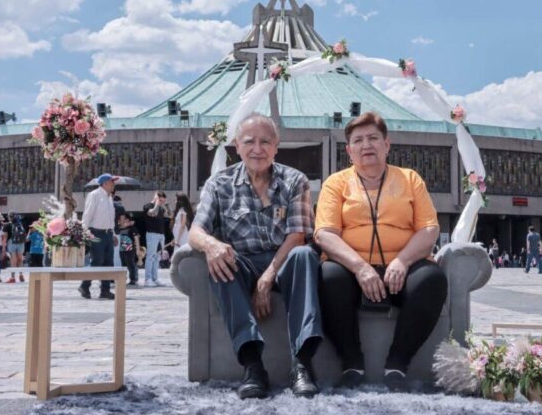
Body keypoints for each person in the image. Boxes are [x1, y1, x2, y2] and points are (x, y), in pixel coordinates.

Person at [189, 113, 322, 399]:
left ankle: (302, 365)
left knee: (304, 255)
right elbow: (195, 231)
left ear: (276, 147)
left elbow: (297, 236)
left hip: (283, 260)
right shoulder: (218, 184)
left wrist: (267, 279)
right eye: (250, 142)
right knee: (220, 260)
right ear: (237, 145)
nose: (257, 149)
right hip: (244, 262)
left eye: (265, 142)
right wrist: (212, 246)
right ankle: (253, 366)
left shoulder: (295, 180)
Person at [315, 111, 445, 392]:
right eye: (358, 140)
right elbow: (325, 233)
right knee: (327, 276)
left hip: (403, 268)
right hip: (352, 270)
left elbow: (429, 229)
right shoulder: (335, 183)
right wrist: (360, 267)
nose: (366, 145)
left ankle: (397, 365)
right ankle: (352, 363)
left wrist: (403, 261)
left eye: (373, 138)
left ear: (387, 144)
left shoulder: (410, 179)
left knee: (432, 279)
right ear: (349, 151)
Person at [79, 173, 118, 299]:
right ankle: (85, 285)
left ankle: (105, 290)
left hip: (108, 233)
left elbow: (111, 218)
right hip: (95, 233)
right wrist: (84, 232)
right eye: (112, 182)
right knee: (97, 261)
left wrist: (113, 233)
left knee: (109, 263)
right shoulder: (94, 195)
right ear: (105, 183)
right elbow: (87, 214)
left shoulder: (109, 197)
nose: (114, 184)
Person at [143, 190, 169, 287]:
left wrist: (167, 206)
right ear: (156, 198)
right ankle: (148, 279)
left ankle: (155, 278)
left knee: (157, 257)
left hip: (161, 235)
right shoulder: (147, 206)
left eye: (163, 201)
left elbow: (170, 215)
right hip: (152, 234)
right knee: (150, 257)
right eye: (160, 200)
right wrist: (157, 204)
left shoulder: (161, 208)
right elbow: (152, 213)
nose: (162, 203)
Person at [116, 213, 139, 287]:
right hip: (121, 250)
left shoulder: (132, 228)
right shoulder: (118, 229)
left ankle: (133, 279)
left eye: (125, 219)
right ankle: (123, 279)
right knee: (123, 265)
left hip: (130, 249)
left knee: (131, 264)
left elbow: (136, 238)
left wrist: (138, 249)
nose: (122, 221)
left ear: (128, 220)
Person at [6, 213, 26, 283]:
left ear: (9, 217)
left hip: (12, 242)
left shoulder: (8, 225)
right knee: (20, 259)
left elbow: (5, 236)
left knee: (13, 260)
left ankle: (12, 277)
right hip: (21, 243)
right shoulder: (21, 224)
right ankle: (21, 274)